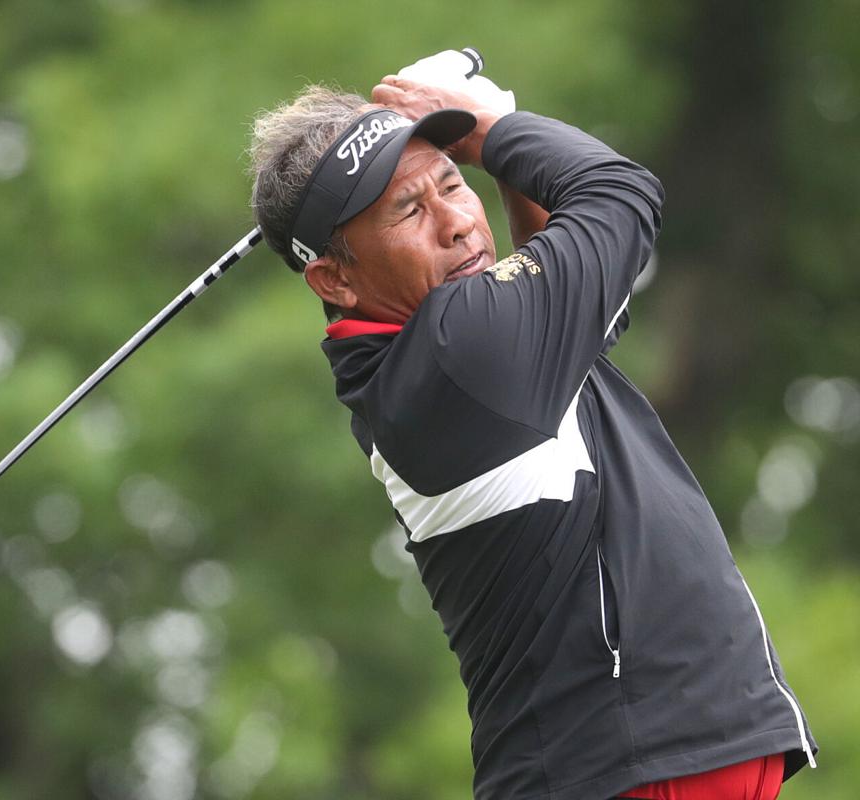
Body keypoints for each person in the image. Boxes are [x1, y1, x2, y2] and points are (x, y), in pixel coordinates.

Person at [248, 54, 817, 800]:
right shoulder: (459, 357)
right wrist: (488, 128)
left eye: (451, 183)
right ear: (335, 278)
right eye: (410, 212)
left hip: (637, 766)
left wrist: (498, 146)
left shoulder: (449, 355)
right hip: (625, 769)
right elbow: (619, 194)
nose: (456, 223)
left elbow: (575, 293)